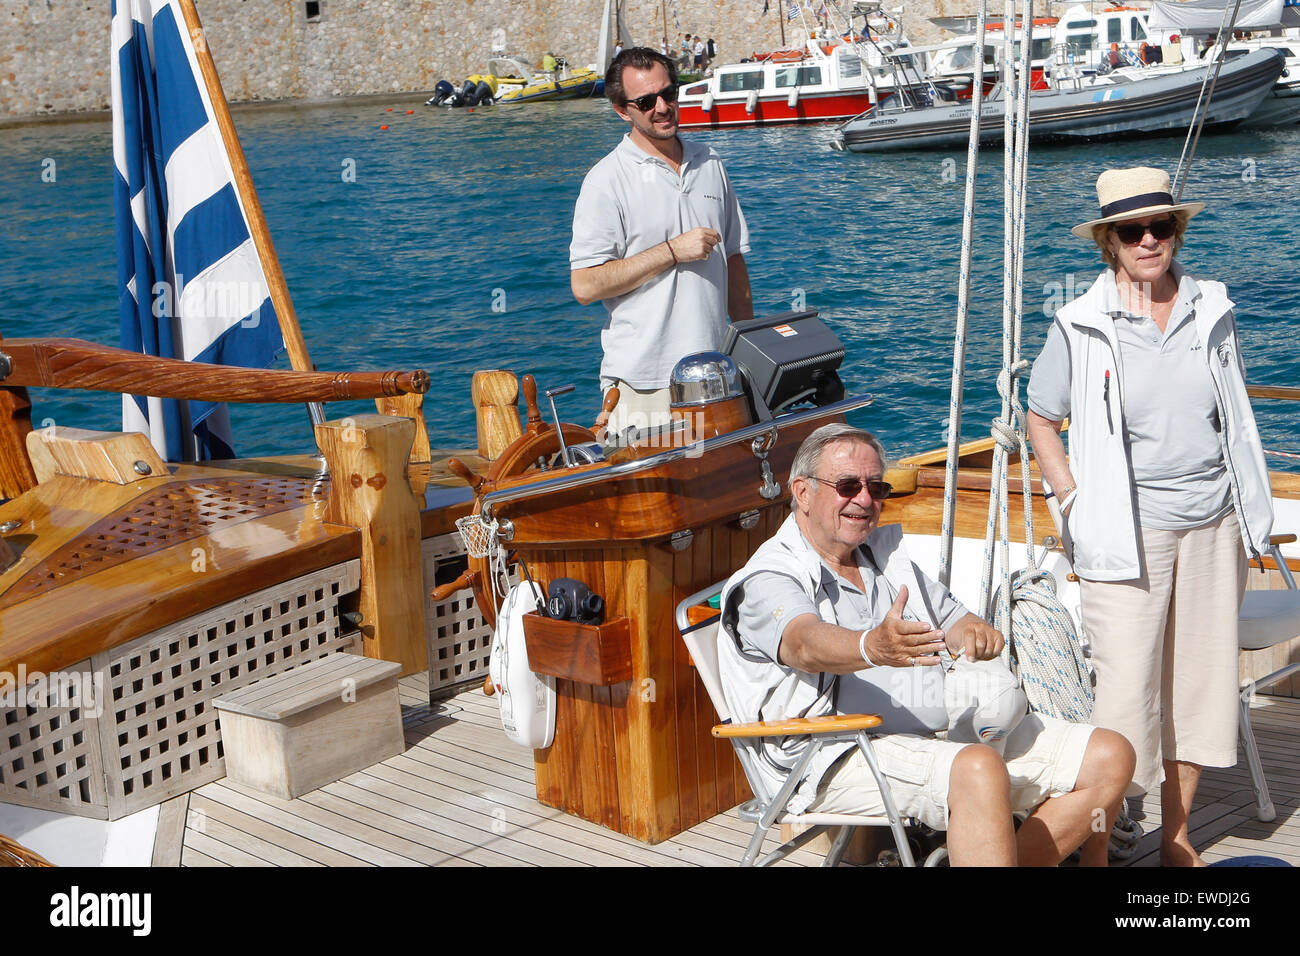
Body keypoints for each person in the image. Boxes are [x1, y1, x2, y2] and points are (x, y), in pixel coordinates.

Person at [718, 423, 1135, 866]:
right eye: (847, 486)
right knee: (977, 769)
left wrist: (975, 631)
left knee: (1110, 756)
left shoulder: (884, 559)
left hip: (932, 730)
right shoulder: (769, 578)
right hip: (829, 755)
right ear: (801, 492)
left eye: (876, 487)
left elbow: (954, 618)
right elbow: (803, 642)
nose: (864, 500)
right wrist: (870, 646)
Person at [1026, 166, 1273, 866]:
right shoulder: (1081, 323)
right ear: (1110, 242)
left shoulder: (1213, 307)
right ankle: (1100, 850)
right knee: (1126, 695)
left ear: (1176, 230)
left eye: (1159, 226)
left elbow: (1229, 412)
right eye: (1131, 231)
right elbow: (1042, 416)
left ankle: (1177, 837)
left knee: (1197, 685)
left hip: (1213, 522)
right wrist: (1071, 500)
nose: (1147, 240)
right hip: (1123, 534)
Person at [570, 47, 753, 436]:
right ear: (623, 111)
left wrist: (753, 350)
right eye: (646, 101)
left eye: (669, 94)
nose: (663, 107)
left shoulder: (711, 163)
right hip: (644, 386)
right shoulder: (606, 181)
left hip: (718, 377)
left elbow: (733, 260)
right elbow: (585, 286)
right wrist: (672, 251)